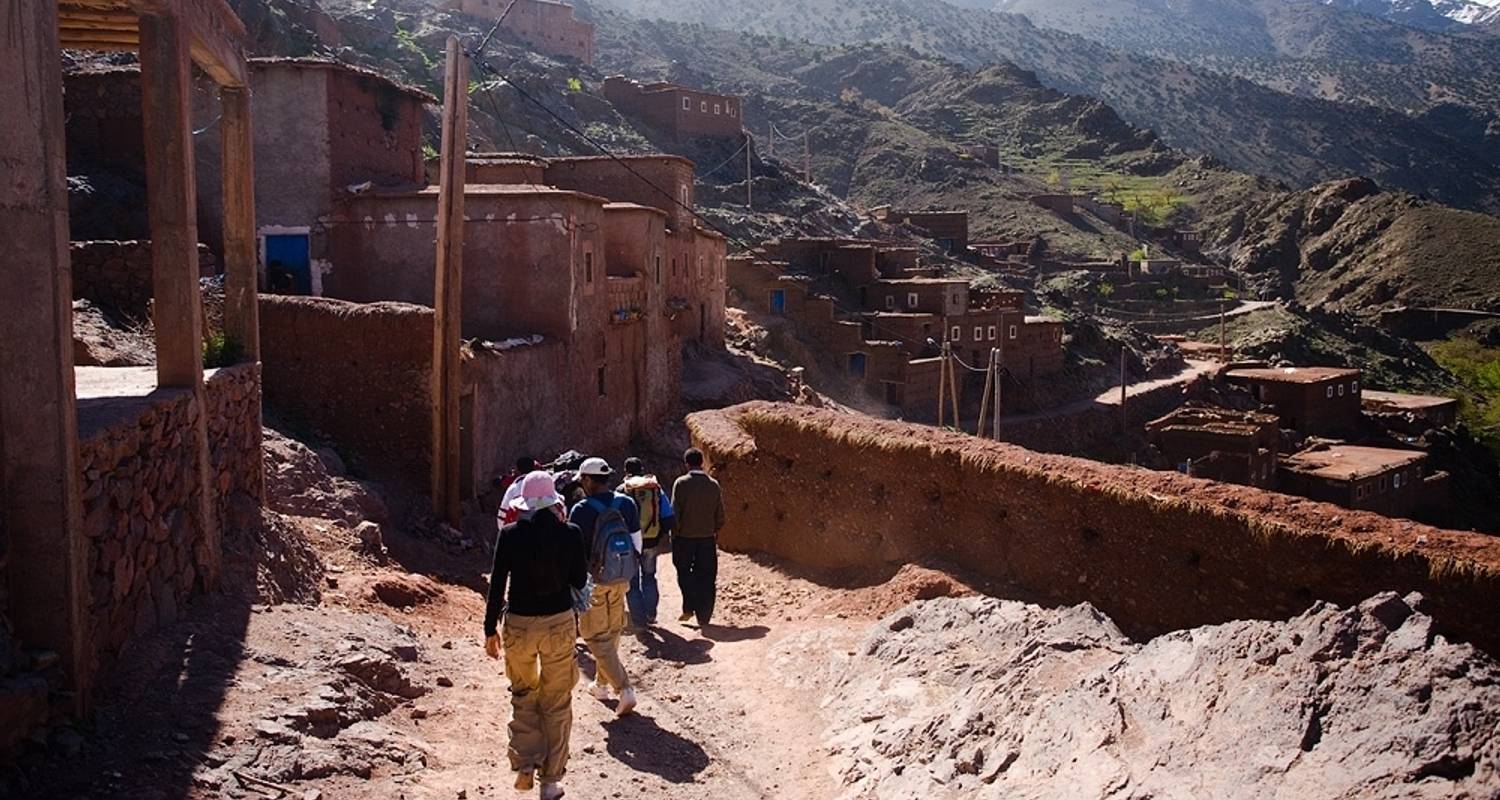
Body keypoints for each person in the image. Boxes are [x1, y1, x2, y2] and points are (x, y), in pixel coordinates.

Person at [483, 471, 587, 800]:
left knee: (523, 694)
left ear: (524, 503)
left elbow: (497, 583)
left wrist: (489, 630)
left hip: (518, 625)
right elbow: (580, 580)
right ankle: (551, 781)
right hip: (558, 623)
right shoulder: (571, 533)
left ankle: (526, 762)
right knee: (557, 702)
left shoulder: (511, 535)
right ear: (554, 501)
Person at [567, 457, 640, 715]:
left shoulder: (581, 510)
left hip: (593, 581)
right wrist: (629, 572)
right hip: (621, 577)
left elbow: (575, 550)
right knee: (611, 631)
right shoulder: (627, 503)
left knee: (594, 635)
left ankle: (624, 688)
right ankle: (601, 685)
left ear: (588, 480)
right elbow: (636, 542)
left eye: (582, 480)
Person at [671, 448, 726, 628]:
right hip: (707, 538)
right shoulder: (713, 485)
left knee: (684, 571)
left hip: (684, 538)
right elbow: (720, 516)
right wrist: (712, 529)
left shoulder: (680, 483)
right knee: (707, 576)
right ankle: (704, 616)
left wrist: (676, 532)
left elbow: (675, 512)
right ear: (702, 462)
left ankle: (689, 606)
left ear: (686, 463)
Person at [621, 457, 675, 630]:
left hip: (630, 543)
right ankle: (651, 614)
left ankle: (639, 621)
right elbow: (667, 515)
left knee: (633, 581)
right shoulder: (655, 488)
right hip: (651, 540)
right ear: (642, 469)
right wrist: (662, 535)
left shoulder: (622, 490)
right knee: (650, 576)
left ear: (626, 471)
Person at [498, 456, 540, 527]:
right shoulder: (544, 485)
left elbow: (503, 513)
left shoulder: (513, 489)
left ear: (518, 470)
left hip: (520, 531)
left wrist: (504, 532)